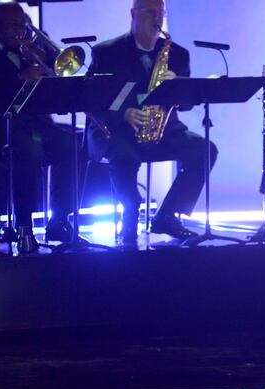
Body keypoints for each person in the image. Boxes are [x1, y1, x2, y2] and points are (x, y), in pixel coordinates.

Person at [87, 0, 217, 243]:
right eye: (150, 12)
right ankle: (130, 211)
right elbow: (89, 99)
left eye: (161, 12)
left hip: (164, 129)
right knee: (124, 156)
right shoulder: (106, 52)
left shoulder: (178, 54)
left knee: (205, 149)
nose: (157, 18)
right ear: (133, 14)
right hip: (116, 130)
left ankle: (167, 215)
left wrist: (177, 86)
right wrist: (124, 113)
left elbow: (187, 104)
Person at [0, 1, 74, 247]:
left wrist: (46, 60)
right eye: (12, 25)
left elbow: (59, 79)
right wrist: (20, 78)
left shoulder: (28, 49)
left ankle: (59, 220)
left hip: (35, 125)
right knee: (29, 150)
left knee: (69, 143)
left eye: (22, 25)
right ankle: (25, 227)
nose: (19, 31)